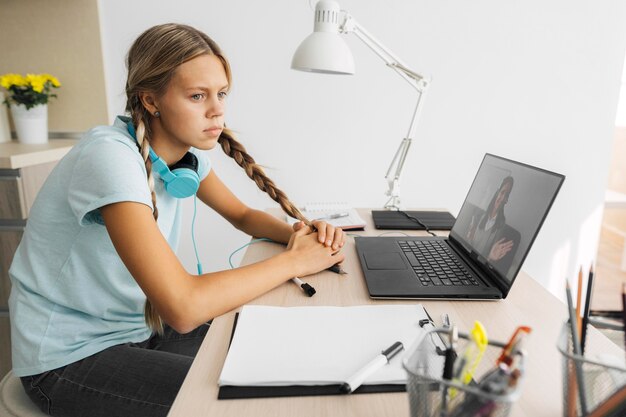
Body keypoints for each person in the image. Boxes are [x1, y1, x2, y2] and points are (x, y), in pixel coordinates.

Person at [8, 23, 345, 417]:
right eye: (197, 96)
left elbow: (242, 215)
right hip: (68, 359)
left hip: (139, 331)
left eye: (221, 94)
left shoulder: (185, 159)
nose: (217, 109)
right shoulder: (110, 158)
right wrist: (295, 261)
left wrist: (302, 236)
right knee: (254, 401)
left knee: (280, 365)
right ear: (150, 100)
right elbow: (182, 308)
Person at [466, 176, 518, 272]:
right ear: (497, 192)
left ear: (506, 200)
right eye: (502, 192)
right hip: (466, 260)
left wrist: (490, 257)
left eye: (506, 196)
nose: (502, 198)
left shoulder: (501, 226)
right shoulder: (480, 215)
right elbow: (469, 247)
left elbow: (488, 263)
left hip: (478, 269)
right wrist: (469, 239)